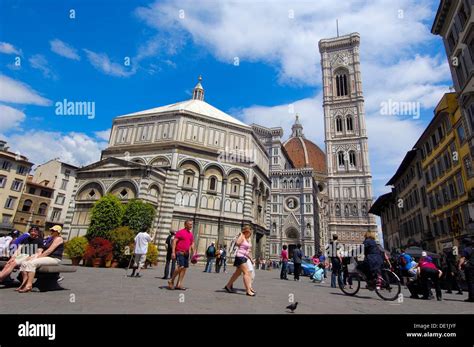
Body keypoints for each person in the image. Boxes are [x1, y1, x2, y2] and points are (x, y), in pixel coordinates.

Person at [16, 225, 64, 293]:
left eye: (53, 230)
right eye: (51, 230)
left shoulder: (58, 239)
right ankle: (23, 284)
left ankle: (29, 285)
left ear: (58, 232)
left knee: (32, 263)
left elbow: (49, 251)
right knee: (24, 263)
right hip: (46, 257)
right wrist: (34, 256)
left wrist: (38, 257)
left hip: (54, 258)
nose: (51, 231)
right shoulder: (50, 239)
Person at [224, 225, 255, 296]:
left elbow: (247, 251)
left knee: (237, 273)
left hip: (244, 257)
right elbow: (237, 243)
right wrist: (242, 235)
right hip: (240, 257)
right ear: (246, 231)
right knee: (246, 273)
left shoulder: (247, 238)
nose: (250, 234)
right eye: (250, 232)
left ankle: (228, 286)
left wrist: (251, 259)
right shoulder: (242, 236)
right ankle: (248, 290)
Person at [168, 219, 195, 290]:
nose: (191, 226)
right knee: (180, 266)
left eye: (191, 224)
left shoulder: (190, 234)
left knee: (184, 269)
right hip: (179, 252)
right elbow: (174, 242)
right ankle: (171, 280)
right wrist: (173, 252)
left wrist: (193, 253)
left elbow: (192, 244)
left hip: (186, 254)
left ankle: (179, 284)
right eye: (189, 224)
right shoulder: (180, 232)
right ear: (185, 225)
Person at [459, 238, 474, 302]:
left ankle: (472, 297)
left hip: (470, 267)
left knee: (470, 282)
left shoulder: (465, 249)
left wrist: (459, 265)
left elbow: (462, 258)